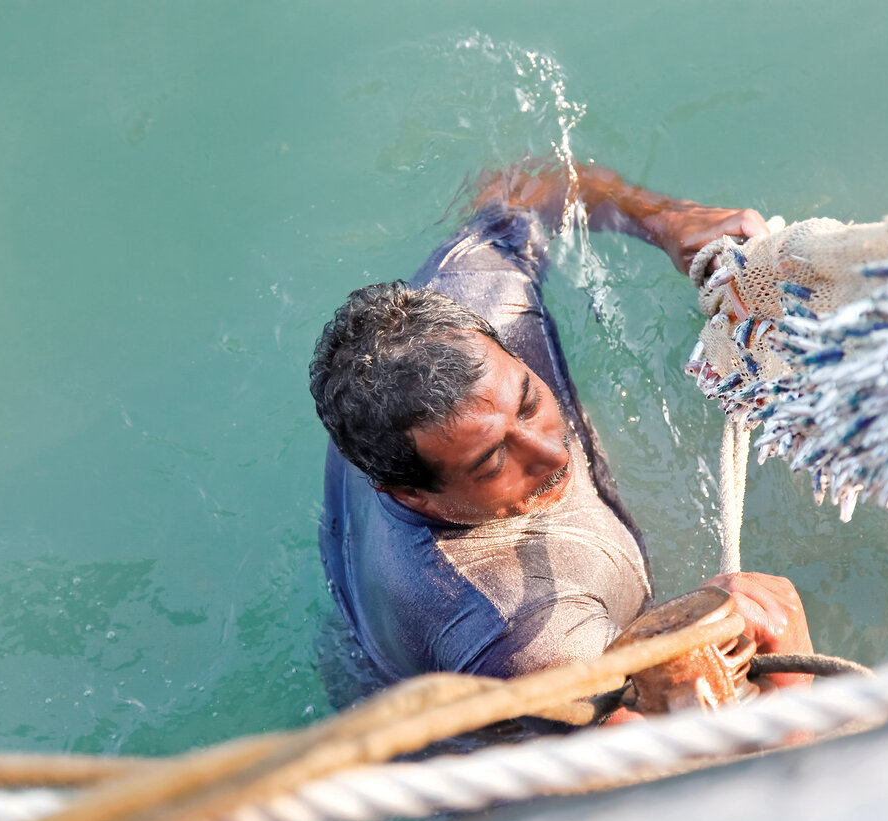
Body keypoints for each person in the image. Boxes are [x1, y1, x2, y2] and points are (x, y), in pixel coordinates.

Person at [309, 160, 813, 708]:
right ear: (412, 495)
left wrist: (667, 221)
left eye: (529, 402)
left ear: (500, 345)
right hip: (453, 716)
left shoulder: (480, 294)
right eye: (492, 461)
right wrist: (792, 681)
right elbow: (689, 753)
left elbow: (517, 188)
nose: (552, 453)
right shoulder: (524, 634)